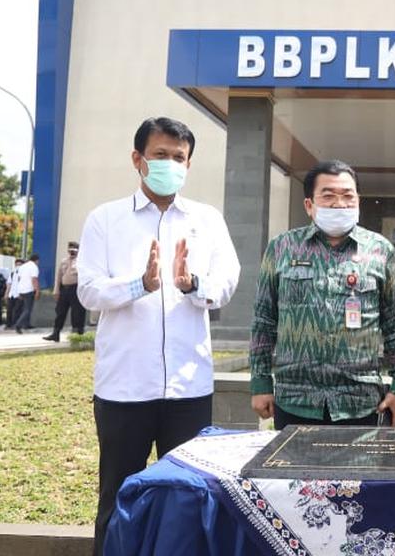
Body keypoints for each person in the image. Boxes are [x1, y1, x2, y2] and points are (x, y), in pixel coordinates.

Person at [77, 116, 240, 556]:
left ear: (189, 164)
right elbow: (88, 289)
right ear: (138, 159)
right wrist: (139, 285)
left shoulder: (207, 220)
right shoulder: (105, 219)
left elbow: (227, 282)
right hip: (124, 387)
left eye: (179, 157)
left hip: (188, 387)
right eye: (161, 155)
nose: (170, 164)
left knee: (190, 496)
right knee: (117, 493)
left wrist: (192, 284)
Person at [250, 160, 395, 430]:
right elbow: (264, 320)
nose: (339, 204)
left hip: (361, 400)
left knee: (358, 472)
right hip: (295, 398)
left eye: (347, 196)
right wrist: (260, 382)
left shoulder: (380, 250)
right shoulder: (282, 248)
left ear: (358, 201)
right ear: (309, 205)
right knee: (294, 472)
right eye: (328, 196)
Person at [44, 241, 86, 342]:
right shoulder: (64, 261)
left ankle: (77, 333)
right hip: (64, 289)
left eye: (73, 250)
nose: (71, 252)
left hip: (76, 289)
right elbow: (58, 277)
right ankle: (56, 333)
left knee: (77, 312)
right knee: (60, 311)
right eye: (70, 250)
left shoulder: (81, 261)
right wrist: (56, 289)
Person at [9, 254, 40, 335]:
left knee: (24, 308)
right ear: (36, 260)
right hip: (29, 290)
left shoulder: (22, 267)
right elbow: (34, 280)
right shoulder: (34, 267)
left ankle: (25, 324)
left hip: (21, 290)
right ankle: (18, 325)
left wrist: (19, 291)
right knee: (27, 309)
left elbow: (19, 279)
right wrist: (37, 290)